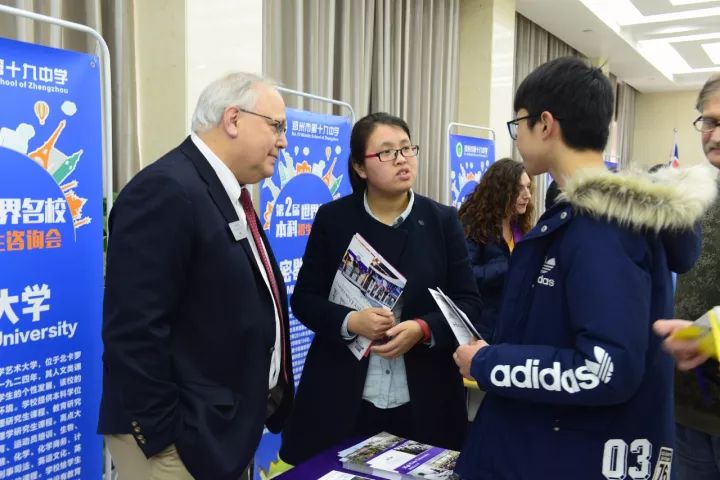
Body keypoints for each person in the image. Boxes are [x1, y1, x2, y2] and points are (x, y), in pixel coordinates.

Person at [452, 56, 714, 479]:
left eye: (517, 123)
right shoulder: (583, 215)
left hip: (571, 454)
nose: (516, 137)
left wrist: (488, 364)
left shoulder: (600, 227)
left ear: (545, 123)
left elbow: (604, 369)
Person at [98, 72, 294, 480]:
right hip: (179, 442)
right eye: (275, 125)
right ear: (233, 119)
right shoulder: (167, 189)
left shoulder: (226, 192)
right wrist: (164, 436)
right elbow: (135, 329)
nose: (283, 141)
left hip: (221, 430)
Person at [279, 112, 483, 465]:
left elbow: (468, 302)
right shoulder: (334, 219)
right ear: (360, 167)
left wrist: (423, 329)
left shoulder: (441, 220)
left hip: (423, 393)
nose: (402, 159)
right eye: (387, 152)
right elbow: (305, 300)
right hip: (345, 392)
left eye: (407, 148)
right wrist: (350, 322)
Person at [653, 74, 720, 480]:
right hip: (689, 410)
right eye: (708, 121)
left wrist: (709, 333)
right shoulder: (695, 196)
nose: (714, 134)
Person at [458, 158, 533, 339]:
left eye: (528, 187)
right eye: (519, 189)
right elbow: (465, 276)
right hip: (481, 329)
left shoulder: (520, 226)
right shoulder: (473, 225)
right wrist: (510, 266)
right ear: (501, 191)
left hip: (513, 325)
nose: (527, 195)